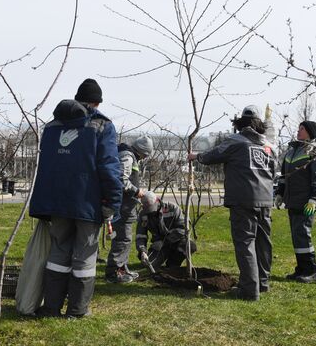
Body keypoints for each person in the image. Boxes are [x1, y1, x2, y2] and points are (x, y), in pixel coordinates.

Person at [29, 78, 122, 318]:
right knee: (84, 256)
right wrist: (113, 202)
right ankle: (77, 311)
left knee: (58, 252)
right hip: (88, 204)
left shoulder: (52, 127)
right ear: (96, 103)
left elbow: (46, 166)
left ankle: (51, 307)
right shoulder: (102, 127)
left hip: (56, 203)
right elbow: (109, 167)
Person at [187, 105, 276, 301]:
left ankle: (249, 290)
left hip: (243, 199)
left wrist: (196, 157)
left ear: (240, 123)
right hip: (265, 200)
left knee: (245, 243)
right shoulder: (268, 147)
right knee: (263, 243)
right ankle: (262, 283)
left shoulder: (237, 141)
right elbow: (273, 170)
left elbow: (214, 155)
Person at [275, 120, 316, 283]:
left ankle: (312, 271)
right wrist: (280, 193)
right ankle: (301, 269)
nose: (298, 131)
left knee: (303, 236)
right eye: (298, 128)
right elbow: (284, 176)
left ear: (310, 132)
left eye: (302, 129)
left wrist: (314, 198)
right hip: (292, 202)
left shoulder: (314, 151)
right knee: (297, 237)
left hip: (306, 203)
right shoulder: (292, 150)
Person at [105, 135, 154, 283]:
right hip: (122, 206)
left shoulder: (129, 155)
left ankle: (122, 268)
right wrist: (136, 191)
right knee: (123, 239)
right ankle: (114, 272)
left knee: (125, 238)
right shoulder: (127, 157)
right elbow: (120, 179)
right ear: (143, 152)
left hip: (126, 206)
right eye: (146, 155)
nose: (145, 158)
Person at [135, 191, 196, 270]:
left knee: (190, 246)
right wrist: (142, 251)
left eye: (151, 208)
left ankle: (173, 263)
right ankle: (162, 255)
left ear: (157, 201)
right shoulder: (143, 214)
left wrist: (164, 241)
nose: (150, 212)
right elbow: (141, 235)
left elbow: (182, 229)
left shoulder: (172, 208)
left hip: (177, 241)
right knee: (149, 264)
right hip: (158, 246)